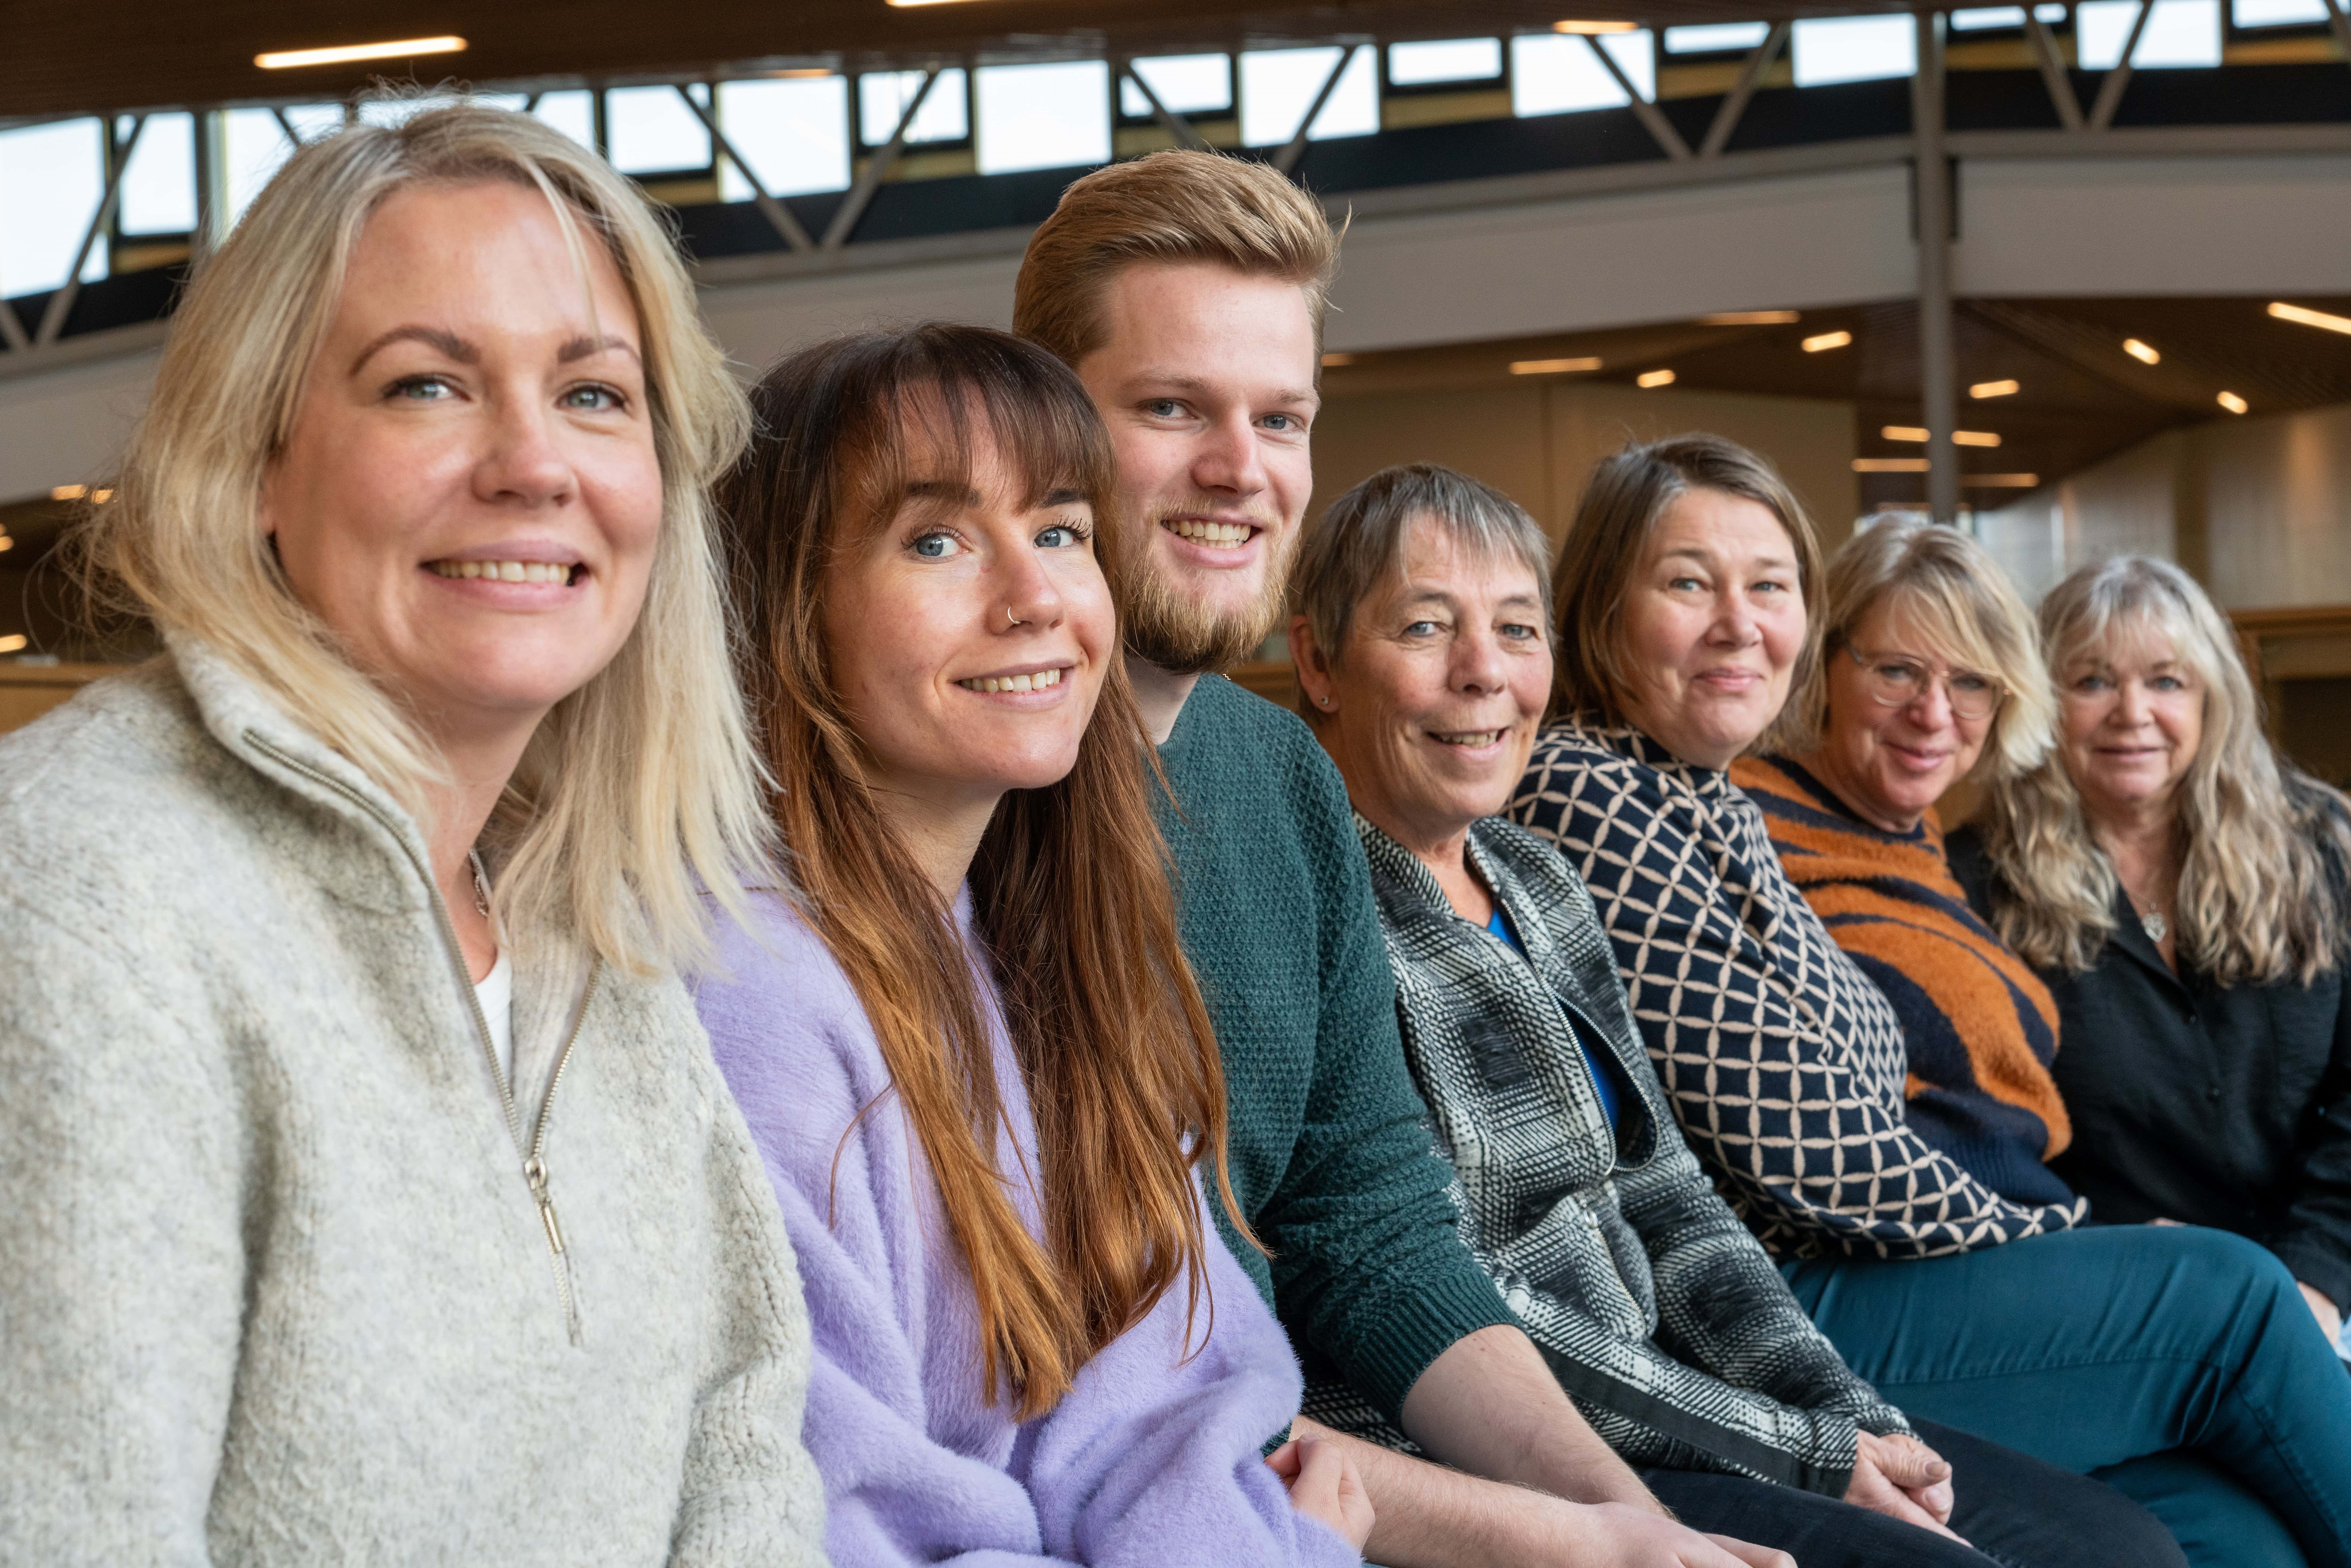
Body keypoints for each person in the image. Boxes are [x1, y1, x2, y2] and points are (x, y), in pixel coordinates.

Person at [0, 104, 825, 1563]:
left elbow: (739, 1427)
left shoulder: (589, 918)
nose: (531, 462)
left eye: (593, 393)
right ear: (254, 461)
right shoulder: (80, 897)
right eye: (428, 385)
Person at [1015, 149, 1786, 1568]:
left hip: (1325, 1471)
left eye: (1282, 416)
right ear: (1041, 422)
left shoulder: (1277, 776)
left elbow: (1369, 1221)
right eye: (1170, 407)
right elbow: (1103, 1397)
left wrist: (1620, 1509)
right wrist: (1576, 1537)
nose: (1240, 468)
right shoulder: (979, 804)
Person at [1288, 462, 2188, 1568]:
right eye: (1427, 628)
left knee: (2123, 1548)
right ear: (1319, 662)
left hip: (1689, 1389)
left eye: (1516, 630)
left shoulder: (1534, 877)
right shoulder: (1317, 906)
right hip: (1501, 1450)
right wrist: (1798, 1448)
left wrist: (1841, 1411)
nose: (1484, 673)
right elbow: (1453, 1298)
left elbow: (1669, 1196)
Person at [1508, 433, 2351, 1568]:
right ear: (1602, 607)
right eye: (1686, 582)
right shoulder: (1594, 789)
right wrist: (2066, 1232)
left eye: (1767, 586)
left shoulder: (1711, 801)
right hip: (1781, 1298)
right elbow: (1794, 1136)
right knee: (2233, 1295)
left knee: (2229, 1526)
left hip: (1897, 1267)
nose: (1738, 621)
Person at [695, 322, 1371, 1567]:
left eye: (1061, 531)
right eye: (937, 541)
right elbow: (843, 1533)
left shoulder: (1045, 944)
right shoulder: (745, 998)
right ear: (788, 607)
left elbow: (1162, 1419)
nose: (1037, 599)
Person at [1952, 555, 2351, 1356]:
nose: (2131, 713)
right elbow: (1973, 1138)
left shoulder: (2323, 845)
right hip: (2123, 1301)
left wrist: (2311, 1285)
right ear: (2042, 702)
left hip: (2332, 1285)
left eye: (2167, 682)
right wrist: (2112, 1238)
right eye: (2092, 681)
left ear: (2212, 701)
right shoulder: (1973, 885)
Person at [1729, 514, 2076, 1209]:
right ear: (1821, 664)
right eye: (1896, 671)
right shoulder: (1742, 820)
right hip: (1892, 1239)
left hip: (2016, 1216)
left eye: (1972, 682)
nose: (1933, 714)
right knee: (2242, 1283)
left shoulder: (1923, 842)